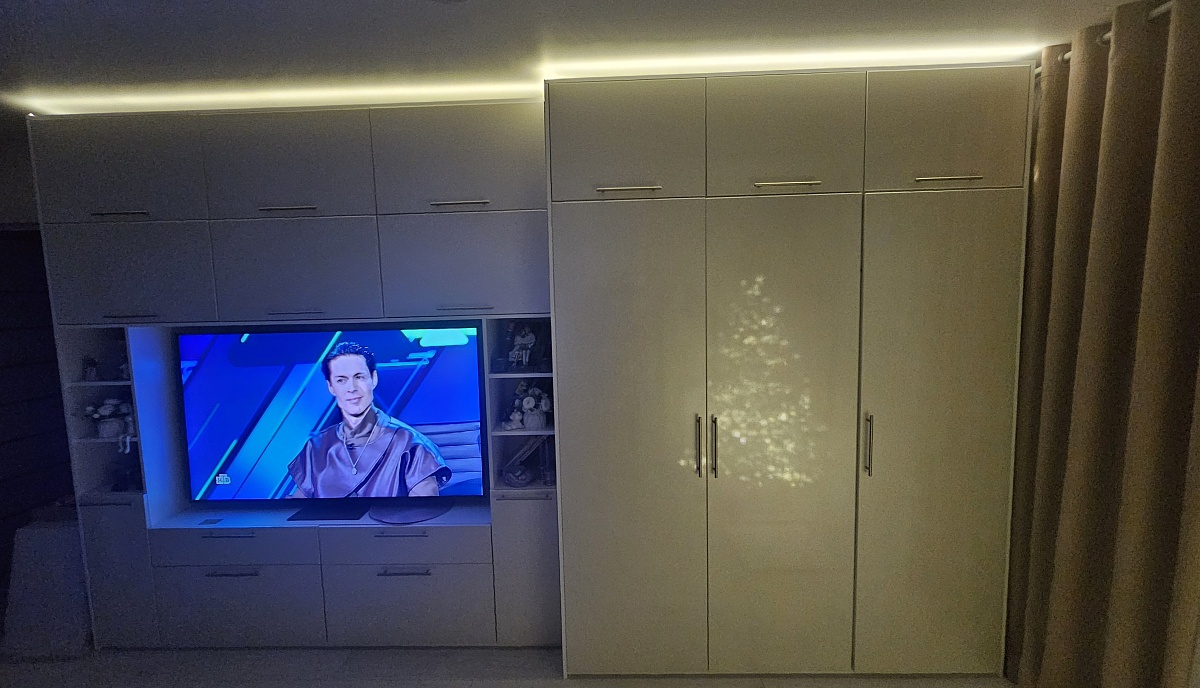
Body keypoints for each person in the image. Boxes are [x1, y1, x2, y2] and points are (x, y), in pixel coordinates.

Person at [287, 342, 451, 498]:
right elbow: (296, 509)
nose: (352, 388)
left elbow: (425, 512)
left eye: (359, 377)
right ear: (331, 387)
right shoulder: (316, 447)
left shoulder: (412, 445)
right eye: (341, 380)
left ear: (373, 379)